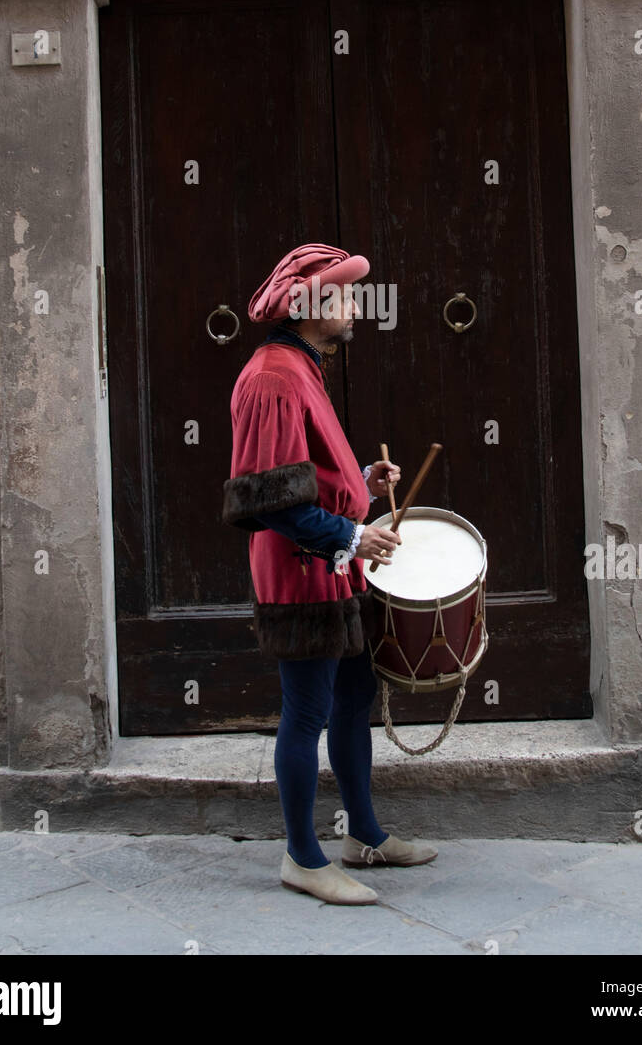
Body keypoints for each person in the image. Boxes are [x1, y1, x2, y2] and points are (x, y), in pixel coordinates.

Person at [222, 242, 438, 905]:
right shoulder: (272, 376)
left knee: (353, 699)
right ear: (311, 306)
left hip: (335, 565)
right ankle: (302, 858)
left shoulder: (303, 367)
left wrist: (360, 486)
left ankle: (363, 835)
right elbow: (263, 501)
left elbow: (306, 475)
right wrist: (352, 532)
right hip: (302, 571)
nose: (356, 308)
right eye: (345, 297)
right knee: (307, 710)